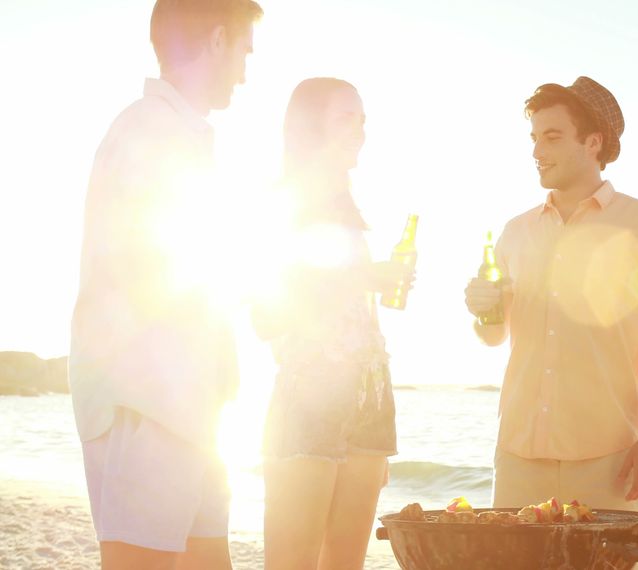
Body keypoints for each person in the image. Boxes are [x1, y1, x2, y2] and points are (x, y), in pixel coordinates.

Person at [69, 1, 262, 568]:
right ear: (220, 40)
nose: (246, 71)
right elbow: (154, 269)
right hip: (147, 401)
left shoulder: (182, 132)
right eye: (245, 52)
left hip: (189, 404)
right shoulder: (150, 131)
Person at [464, 77, 638, 516]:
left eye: (551, 137)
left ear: (593, 142)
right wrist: (481, 310)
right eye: (533, 138)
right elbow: (493, 336)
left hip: (611, 460)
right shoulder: (515, 232)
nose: (536, 152)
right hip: (518, 455)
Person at [252, 77, 412, 570]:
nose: (360, 130)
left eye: (363, 118)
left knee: (346, 563)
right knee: (293, 563)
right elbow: (265, 315)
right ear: (310, 126)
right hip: (311, 393)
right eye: (347, 116)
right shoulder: (282, 204)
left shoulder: (347, 207)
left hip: (370, 391)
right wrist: (363, 277)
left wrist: (375, 284)